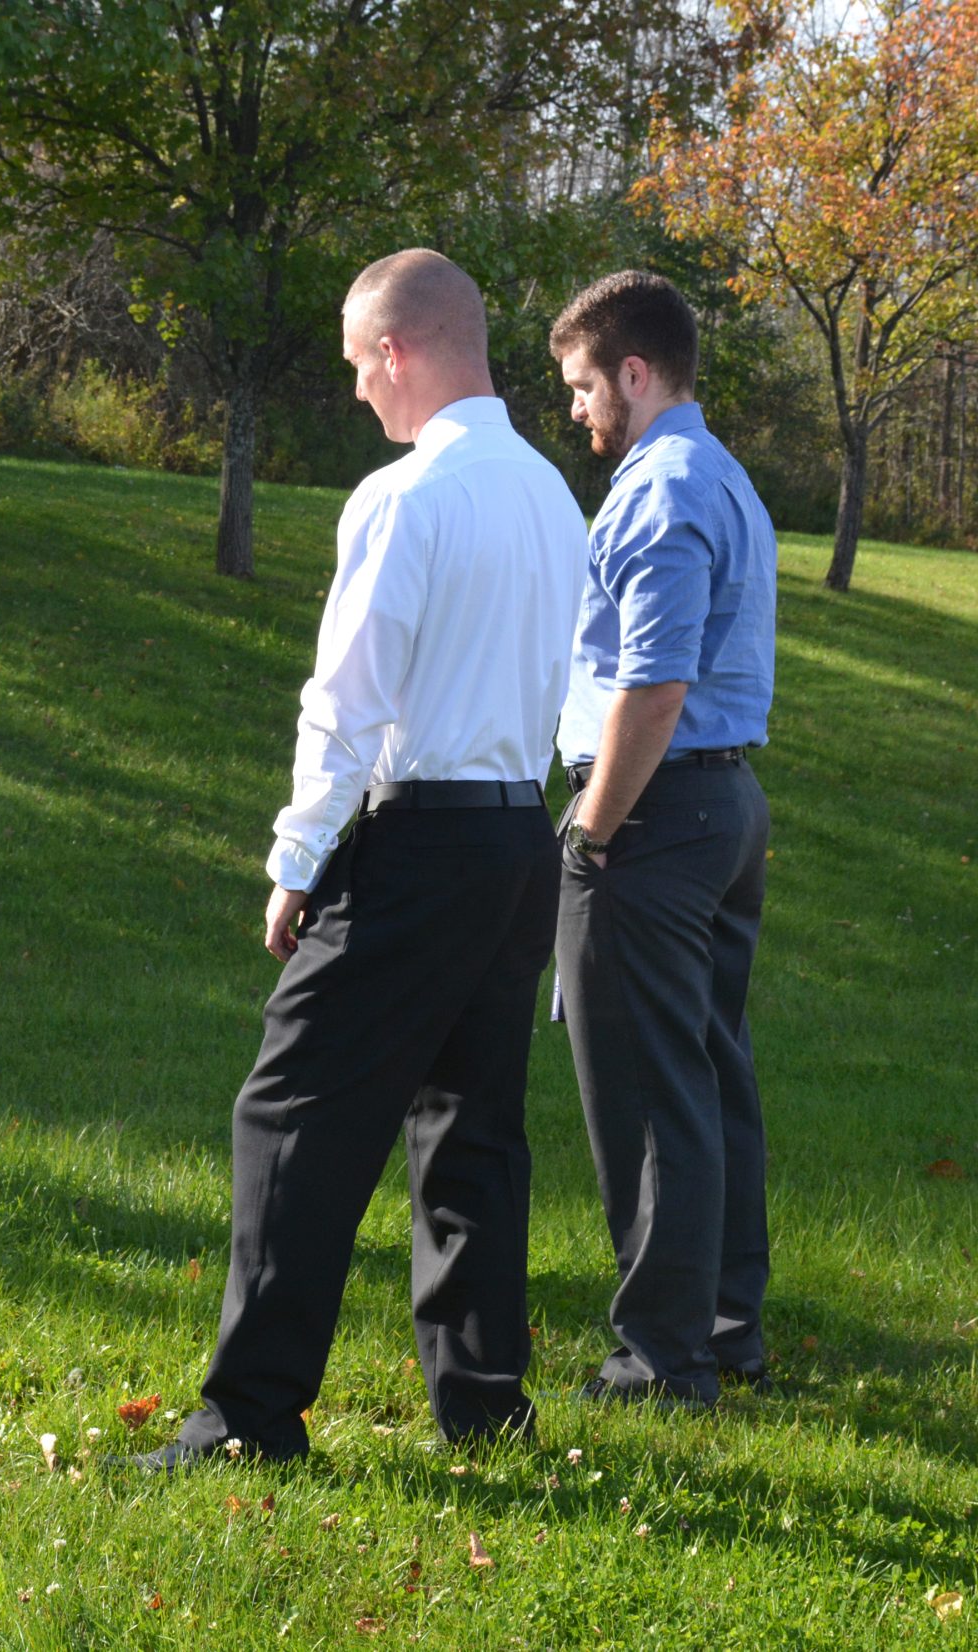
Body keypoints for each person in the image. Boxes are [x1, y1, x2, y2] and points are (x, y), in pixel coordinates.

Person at [134, 250, 589, 1468]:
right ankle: (484, 1406)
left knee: (289, 1110)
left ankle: (247, 1418)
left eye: (354, 364)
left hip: (422, 836)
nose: (353, 392)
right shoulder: (552, 493)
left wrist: (295, 858)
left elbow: (344, 700)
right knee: (471, 1127)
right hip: (512, 840)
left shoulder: (403, 495)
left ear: (397, 349)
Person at [548, 272, 777, 1407]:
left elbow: (653, 682)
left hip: (654, 813)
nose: (578, 409)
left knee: (647, 1089)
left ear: (633, 373)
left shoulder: (660, 487)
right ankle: (725, 1328)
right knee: (710, 1076)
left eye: (584, 386)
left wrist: (589, 833)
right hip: (720, 810)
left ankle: (660, 1355)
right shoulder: (720, 472)